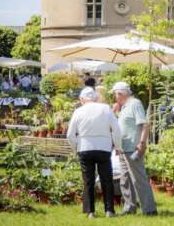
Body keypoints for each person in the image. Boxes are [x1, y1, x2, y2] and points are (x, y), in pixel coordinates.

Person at [67, 87, 122, 218]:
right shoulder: (105, 109)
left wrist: (75, 148)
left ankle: (90, 211)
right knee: (107, 179)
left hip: (85, 148)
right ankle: (109, 210)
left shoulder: (78, 111)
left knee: (88, 180)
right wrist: (118, 146)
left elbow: (70, 134)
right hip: (104, 148)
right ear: (95, 98)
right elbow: (116, 129)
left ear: (82, 99)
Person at [111, 81, 157, 216]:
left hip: (133, 148)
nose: (115, 97)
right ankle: (129, 207)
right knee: (125, 179)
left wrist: (142, 143)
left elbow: (145, 125)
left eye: (115, 94)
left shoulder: (135, 104)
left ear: (120, 94)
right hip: (123, 148)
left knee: (139, 179)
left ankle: (150, 210)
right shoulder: (124, 106)